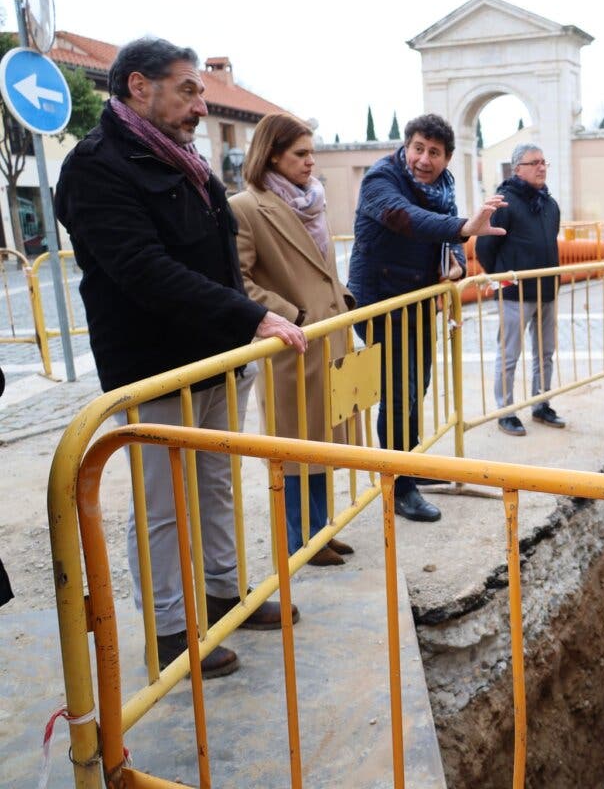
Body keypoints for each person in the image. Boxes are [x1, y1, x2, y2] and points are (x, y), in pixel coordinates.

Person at [55, 37, 305, 679]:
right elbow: (144, 270)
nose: (201, 102)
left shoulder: (184, 160)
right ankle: (171, 633)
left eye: (201, 89)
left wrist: (237, 332)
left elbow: (217, 259)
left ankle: (226, 591)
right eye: (189, 89)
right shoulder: (97, 166)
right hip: (155, 368)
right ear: (140, 86)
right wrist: (251, 315)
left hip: (216, 361)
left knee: (217, 487)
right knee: (161, 509)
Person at [347, 114, 506, 523]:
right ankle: (399, 486)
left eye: (434, 152)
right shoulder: (380, 180)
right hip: (382, 301)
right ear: (406, 146)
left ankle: (410, 461)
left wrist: (455, 263)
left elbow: (445, 242)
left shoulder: (441, 189)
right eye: (418, 148)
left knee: (419, 384)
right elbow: (405, 218)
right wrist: (463, 228)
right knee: (399, 392)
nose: (423, 159)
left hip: (417, 300)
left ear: (447, 158)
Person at [231, 113, 356, 567]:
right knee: (293, 446)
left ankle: (320, 530)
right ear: (272, 155)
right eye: (300, 154)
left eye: (312, 153)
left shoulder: (314, 202)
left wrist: (342, 297)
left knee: (322, 442)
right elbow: (239, 281)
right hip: (292, 346)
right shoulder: (246, 206)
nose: (310, 162)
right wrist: (291, 315)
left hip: (329, 338)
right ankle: (297, 539)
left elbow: (323, 268)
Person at [475, 143, 565, 437]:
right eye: (534, 162)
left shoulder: (550, 205)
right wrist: (503, 278)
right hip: (515, 295)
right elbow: (485, 247)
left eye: (543, 162)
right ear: (517, 169)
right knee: (509, 354)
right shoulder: (504, 203)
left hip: (547, 292)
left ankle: (541, 404)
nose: (541, 167)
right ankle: (506, 412)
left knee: (545, 353)